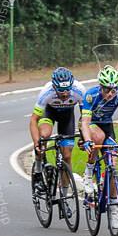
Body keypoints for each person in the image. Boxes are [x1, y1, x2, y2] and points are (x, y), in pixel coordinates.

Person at [80, 65, 118, 197]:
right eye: (107, 89)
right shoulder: (91, 95)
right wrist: (88, 140)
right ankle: (89, 172)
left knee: (113, 162)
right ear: (101, 86)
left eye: (114, 90)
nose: (110, 93)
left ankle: (113, 205)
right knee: (98, 137)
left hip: (107, 126)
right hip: (91, 123)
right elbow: (85, 121)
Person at [30, 67, 86, 197]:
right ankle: (38, 171)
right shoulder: (46, 92)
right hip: (49, 113)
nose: (65, 94)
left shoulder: (79, 90)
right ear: (54, 87)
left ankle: (65, 195)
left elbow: (86, 117)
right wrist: (36, 142)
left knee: (67, 156)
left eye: (67, 90)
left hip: (67, 116)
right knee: (44, 135)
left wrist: (84, 137)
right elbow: (33, 120)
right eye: (61, 91)